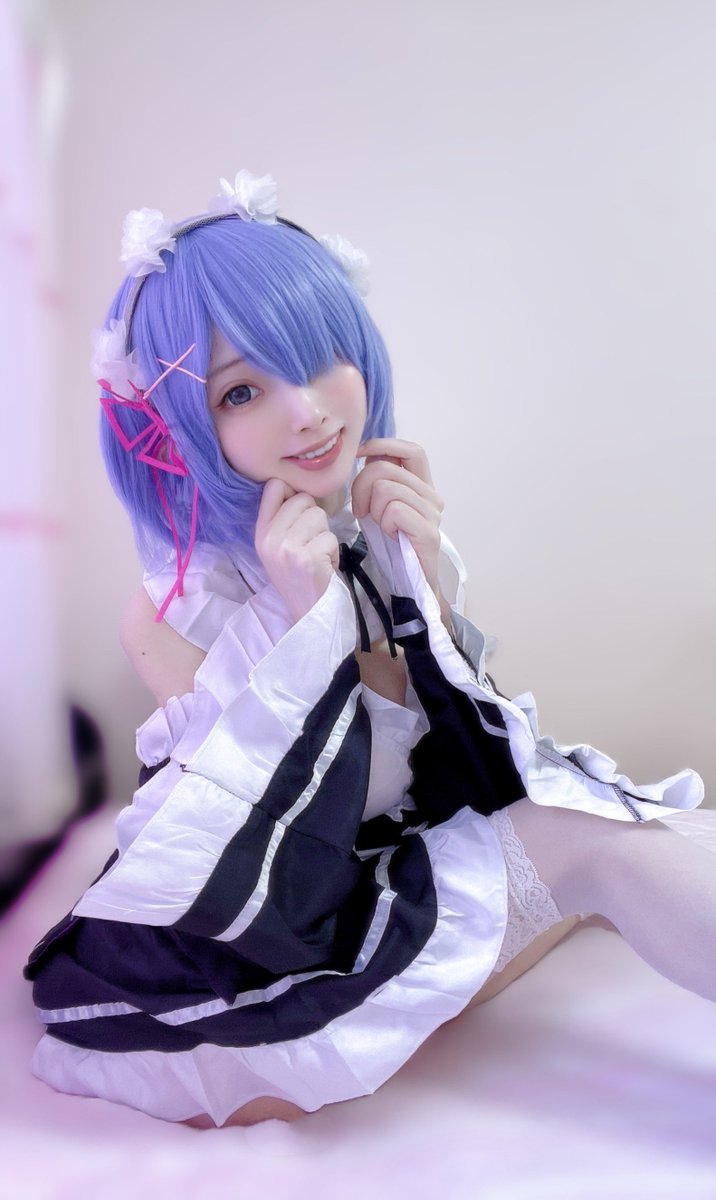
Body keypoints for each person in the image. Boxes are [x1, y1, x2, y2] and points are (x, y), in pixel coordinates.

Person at [25, 170, 712, 1129]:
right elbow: (267, 837)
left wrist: (420, 582)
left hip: (378, 865)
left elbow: (457, 767)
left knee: (658, 832)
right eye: (242, 390)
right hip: (261, 939)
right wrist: (311, 623)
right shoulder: (175, 611)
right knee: (598, 841)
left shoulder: (363, 531)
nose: (306, 411)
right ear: (177, 425)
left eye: (320, 359)